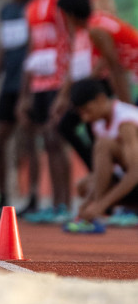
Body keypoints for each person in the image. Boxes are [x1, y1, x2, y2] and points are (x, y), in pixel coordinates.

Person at [17, 0, 71, 222]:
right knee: (43, 141)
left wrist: (66, 80)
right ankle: (49, 203)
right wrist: (24, 93)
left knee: (55, 138)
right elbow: (31, 46)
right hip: (38, 82)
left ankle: (65, 204)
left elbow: (69, 37)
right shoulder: (31, 6)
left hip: (57, 80)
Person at [0, 0, 37, 214]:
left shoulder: (33, 7)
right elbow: (3, 48)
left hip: (30, 82)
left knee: (30, 139)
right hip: (8, 84)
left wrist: (26, 91)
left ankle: (34, 197)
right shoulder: (6, 10)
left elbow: (33, 45)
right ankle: (1, 198)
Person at [64, 79, 138, 230]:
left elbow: (135, 172)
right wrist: (86, 205)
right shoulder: (98, 124)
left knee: (103, 145)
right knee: (84, 186)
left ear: (101, 99)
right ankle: (94, 214)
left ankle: (99, 213)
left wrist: (100, 205)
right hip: (130, 181)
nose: (84, 118)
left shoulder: (126, 121)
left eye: (87, 110)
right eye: (81, 113)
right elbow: (103, 173)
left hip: (135, 177)